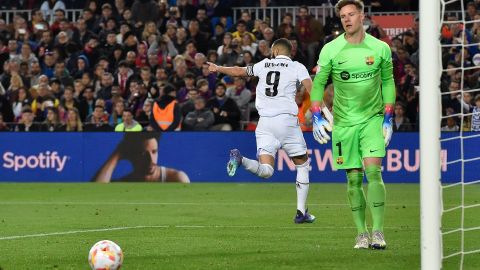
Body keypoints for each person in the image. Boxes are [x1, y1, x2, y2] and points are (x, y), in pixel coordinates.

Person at [310, 0, 395, 250]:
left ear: (362, 16)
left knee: (374, 173)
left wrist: (388, 117)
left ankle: (378, 232)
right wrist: (316, 115)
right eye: (343, 16)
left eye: (351, 14)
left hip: (372, 119)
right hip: (344, 123)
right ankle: (361, 233)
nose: (346, 19)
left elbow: (388, 82)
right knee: (354, 181)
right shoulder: (331, 50)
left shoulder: (380, 48)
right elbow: (317, 85)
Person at [207, 38, 316, 224]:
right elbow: (311, 87)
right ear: (290, 52)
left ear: (274, 51)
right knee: (302, 165)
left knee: (266, 171)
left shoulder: (263, 64)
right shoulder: (297, 66)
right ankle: (300, 212)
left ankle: (240, 159)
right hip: (287, 122)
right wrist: (318, 111)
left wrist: (218, 68)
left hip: (264, 123)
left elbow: (239, 71)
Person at [93, 132, 190, 183]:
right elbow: (96, 193)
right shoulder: (125, 183)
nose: (151, 160)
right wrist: (117, 153)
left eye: (154, 152)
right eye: (143, 154)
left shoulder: (176, 178)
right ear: (131, 155)